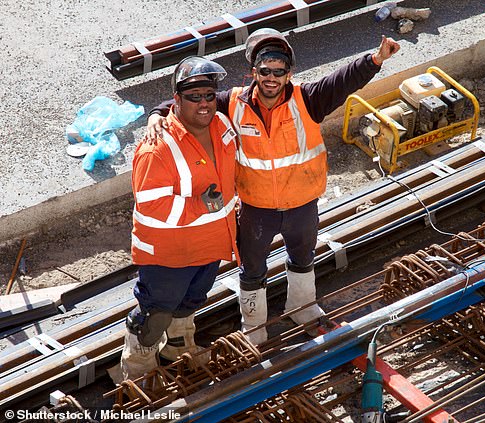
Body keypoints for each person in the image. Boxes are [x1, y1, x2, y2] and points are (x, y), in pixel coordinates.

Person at [145, 29, 400, 345]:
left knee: (303, 259)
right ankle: (254, 327)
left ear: (289, 74)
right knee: (252, 271)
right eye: (265, 71)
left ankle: (301, 307)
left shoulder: (308, 99)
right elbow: (194, 98)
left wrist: (375, 59)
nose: (271, 78)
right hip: (256, 209)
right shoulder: (232, 104)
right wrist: (158, 114)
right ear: (253, 72)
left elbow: (343, 80)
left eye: (279, 72)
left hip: (302, 206)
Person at [109, 56, 239, 384]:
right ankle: (138, 372)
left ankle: (178, 349)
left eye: (209, 95)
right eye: (194, 97)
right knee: (156, 313)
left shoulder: (222, 126)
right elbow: (151, 207)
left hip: (211, 244)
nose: (204, 103)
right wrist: (200, 206)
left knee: (190, 301)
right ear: (176, 101)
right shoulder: (156, 148)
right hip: (170, 254)